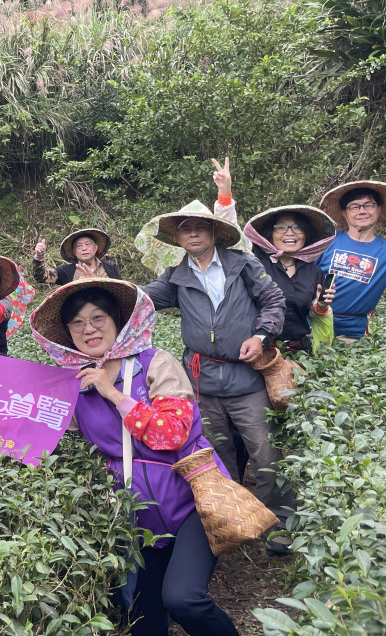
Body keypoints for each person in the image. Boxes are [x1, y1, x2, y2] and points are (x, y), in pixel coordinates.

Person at [30, 279, 239, 636]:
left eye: (98, 318)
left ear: (118, 321)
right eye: (77, 323)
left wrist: (111, 392)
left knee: (183, 598)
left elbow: (172, 432)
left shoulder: (155, 363)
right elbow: (41, 435)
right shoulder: (74, 385)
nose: (89, 329)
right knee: (145, 621)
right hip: (137, 515)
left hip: (192, 501)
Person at [141, 204, 295, 554]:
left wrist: (262, 336)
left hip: (247, 381)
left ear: (214, 233)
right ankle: (230, 524)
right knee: (216, 458)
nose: (193, 233)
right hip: (203, 383)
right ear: (178, 238)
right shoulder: (175, 277)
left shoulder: (243, 265)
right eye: (186, 229)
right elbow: (141, 299)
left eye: (200, 227)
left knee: (266, 455)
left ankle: (280, 528)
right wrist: (101, 289)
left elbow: (273, 299)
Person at [210, 157, 337, 353]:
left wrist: (320, 306)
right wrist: (224, 193)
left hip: (299, 352)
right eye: (281, 227)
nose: (290, 232)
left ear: (306, 235)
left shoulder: (313, 272)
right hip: (258, 351)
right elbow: (229, 236)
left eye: (297, 227)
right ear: (270, 234)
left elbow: (311, 315)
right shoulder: (254, 261)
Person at [316, 181, 386, 341]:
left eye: (368, 205)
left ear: (379, 209)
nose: (362, 211)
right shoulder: (326, 242)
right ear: (345, 213)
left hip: (352, 334)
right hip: (312, 323)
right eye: (354, 207)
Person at [32, 228, 122, 285]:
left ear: (96, 248)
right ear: (74, 252)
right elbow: (41, 277)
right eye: (79, 246)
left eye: (88, 244)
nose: (84, 248)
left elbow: (121, 290)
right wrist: (39, 256)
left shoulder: (110, 267)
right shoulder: (65, 271)